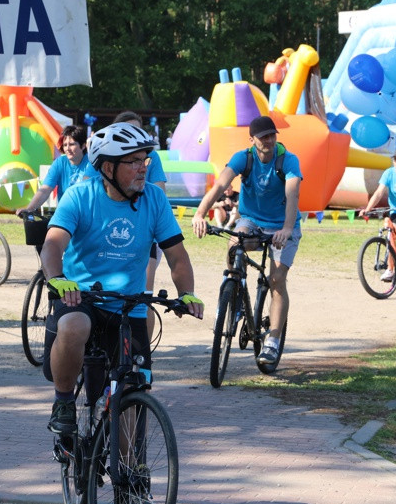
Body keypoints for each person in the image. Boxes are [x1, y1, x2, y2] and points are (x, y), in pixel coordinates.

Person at [40, 122, 204, 436]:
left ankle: (131, 479)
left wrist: (187, 293)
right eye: (134, 162)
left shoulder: (154, 200)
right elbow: (52, 244)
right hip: (81, 297)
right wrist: (59, 279)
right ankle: (63, 403)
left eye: (146, 160)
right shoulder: (80, 197)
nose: (144, 168)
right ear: (108, 167)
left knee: (133, 392)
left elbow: (177, 256)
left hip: (130, 307)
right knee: (74, 325)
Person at [191, 114, 303, 366]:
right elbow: (221, 184)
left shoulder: (288, 160)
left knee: (276, 280)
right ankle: (234, 293)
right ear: (252, 139)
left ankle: (273, 341)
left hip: (283, 225)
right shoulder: (244, 157)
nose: (269, 140)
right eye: (263, 137)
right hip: (252, 220)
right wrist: (199, 213)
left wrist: (286, 229)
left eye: (272, 135)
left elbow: (292, 191)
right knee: (235, 245)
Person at [84, 110, 170, 337]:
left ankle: (142, 352)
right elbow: (87, 185)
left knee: (144, 293)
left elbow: (159, 190)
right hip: (107, 227)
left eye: (138, 130)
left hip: (143, 231)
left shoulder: (152, 157)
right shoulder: (105, 154)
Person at [15, 125, 90, 216]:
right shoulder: (59, 163)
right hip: (66, 214)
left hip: (88, 215)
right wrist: (29, 209)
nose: (67, 149)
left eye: (72, 144)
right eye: (65, 145)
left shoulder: (91, 164)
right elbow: (45, 189)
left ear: (83, 146)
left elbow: (86, 192)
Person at [360, 148, 396, 282]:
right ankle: (390, 270)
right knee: (390, 234)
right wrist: (368, 209)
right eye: (395, 159)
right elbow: (379, 192)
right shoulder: (389, 173)